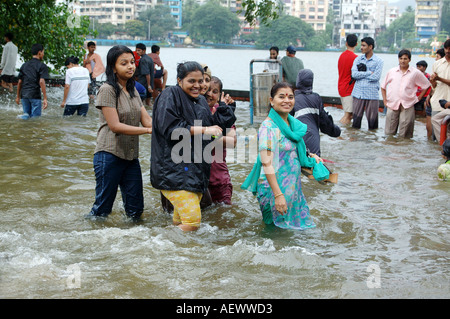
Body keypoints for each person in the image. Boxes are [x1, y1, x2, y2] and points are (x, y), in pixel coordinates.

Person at [151, 61, 235, 231]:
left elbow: (216, 130)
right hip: (174, 173)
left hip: (195, 173)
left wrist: (225, 108)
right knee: (192, 222)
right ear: (179, 80)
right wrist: (205, 129)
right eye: (192, 81)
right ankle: (151, 242)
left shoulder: (201, 102)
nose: (198, 85)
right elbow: (171, 129)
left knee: (180, 221)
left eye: (201, 81)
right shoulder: (170, 94)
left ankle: (175, 252)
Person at [241, 82, 329, 230]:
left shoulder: (292, 125)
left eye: (290, 97)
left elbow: (291, 150)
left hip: (292, 188)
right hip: (273, 190)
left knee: (294, 231)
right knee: (275, 233)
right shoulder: (268, 128)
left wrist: (311, 156)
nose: (287, 100)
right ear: (271, 101)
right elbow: (267, 163)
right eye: (281, 97)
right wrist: (278, 195)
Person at [87, 45, 152, 220]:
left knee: (136, 211)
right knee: (102, 210)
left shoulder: (133, 90)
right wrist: (147, 131)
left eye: (132, 62)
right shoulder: (107, 89)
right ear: (113, 67)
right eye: (124, 63)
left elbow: (146, 119)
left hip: (130, 156)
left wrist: (166, 127)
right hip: (108, 155)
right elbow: (115, 125)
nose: (130, 66)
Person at [381, 49, 430, 138]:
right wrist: (385, 101)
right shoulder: (392, 71)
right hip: (392, 103)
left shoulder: (415, 72)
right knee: (389, 133)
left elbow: (426, 85)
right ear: (398, 59)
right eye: (401, 58)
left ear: (409, 60)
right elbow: (383, 86)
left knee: (405, 133)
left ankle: (404, 151)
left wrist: (418, 98)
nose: (403, 61)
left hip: (408, 104)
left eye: (405, 59)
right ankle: (390, 149)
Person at [291, 69, 341, 157]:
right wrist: (337, 131)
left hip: (294, 145)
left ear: (298, 81)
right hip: (313, 147)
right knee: (314, 164)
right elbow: (326, 124)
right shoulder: (316, 99)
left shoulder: (290, 99)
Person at [205, 76, 237, 205]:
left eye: (214, 91)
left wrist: (205, 134)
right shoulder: (194, 112)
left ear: (220, 95)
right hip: (198, 178)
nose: (209, 94)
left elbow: (232, 142)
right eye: (207, 90)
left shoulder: (224, 114)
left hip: (220, 178)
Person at [351, 37, 384, 130]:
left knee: (373, 124)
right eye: (361, 45)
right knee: (356, 123)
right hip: (358, 93)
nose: (361, 47)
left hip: (372, 94)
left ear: (370, 47)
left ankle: (372, 142)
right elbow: (354, 74)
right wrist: (369, 73)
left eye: (363, 45)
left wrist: (361, 75)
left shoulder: (379, 61)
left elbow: (376, 77)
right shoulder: (358, 59)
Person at [15, 43, 49, 119]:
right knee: (35, 120)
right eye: (43, 52)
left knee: (26, 116)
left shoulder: (24, 65)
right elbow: (41, 81)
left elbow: (20, 82)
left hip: (24, 96)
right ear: (39, 52)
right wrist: (45, 98)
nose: (43, 54)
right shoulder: (42, 66)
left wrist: (17, 96)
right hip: (35, 96)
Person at [430, 39, 450, 140]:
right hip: (438, 101)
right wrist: (433, 80)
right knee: (436, 135)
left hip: (449, 102)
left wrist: (439, 78)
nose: (448, 51)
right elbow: (434, 86)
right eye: (446, 49)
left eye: (449, 49)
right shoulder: (437, 64)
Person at [338, 34, 358, 125]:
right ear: (356, 44)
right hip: (349, 89)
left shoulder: (341, 56)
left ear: (346, 43)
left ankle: (345, 133)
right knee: (348, 115)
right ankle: (339, 131)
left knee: (349, 114)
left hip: (341, 86)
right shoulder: (355, 58)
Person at [415, 60, 433, 139]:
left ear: (424, 68)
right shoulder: (415, 75)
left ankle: (423, 118)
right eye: (417, 67)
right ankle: (417, 119)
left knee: (425, 108)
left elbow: (430, 86)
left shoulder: (428, 76)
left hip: (425, 96)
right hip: (416, 96)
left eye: (420, 67)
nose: (418, 68)